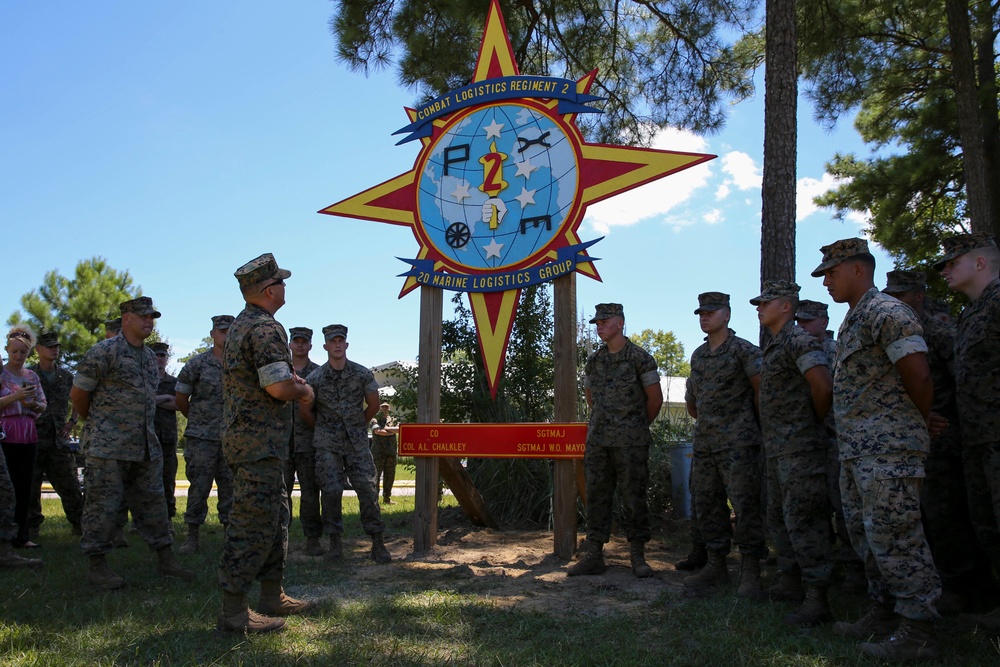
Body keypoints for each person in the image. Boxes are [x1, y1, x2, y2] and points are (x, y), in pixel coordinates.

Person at [812, 238, 940, 661]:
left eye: (832, 272)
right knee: (869, 538)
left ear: (858, 269)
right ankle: (883, 615)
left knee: (898, 538)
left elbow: (918, 376)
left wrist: (909, 426)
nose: (826, 281)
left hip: (889, 451)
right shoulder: (854, 319)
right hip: (858, 452)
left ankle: (919, 630)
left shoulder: (886, 311)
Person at [884, 268, 997, 614]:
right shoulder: (904, 329)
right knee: (934, 515)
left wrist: (938, 414)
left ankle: (972, 590)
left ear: (919, 295)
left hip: (948, 436)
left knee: (950, 514)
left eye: (901, 296)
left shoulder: (938, 329)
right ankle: (956, 587)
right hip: (920, 437)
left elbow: (964, 376)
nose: (895, 302)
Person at [218, 253, 314, 633]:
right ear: (269, 290)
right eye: (282, 282)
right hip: (257, 445)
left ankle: (272, 595)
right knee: (252, 523)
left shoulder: (244, 325)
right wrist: (304, 391)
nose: (286, 287)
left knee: (275, 519)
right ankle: (233, 613)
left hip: (259, 444)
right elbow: (277, 386)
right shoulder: (264, 329)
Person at [70, 297, 193, 590]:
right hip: (108, 448)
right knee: (103, 506)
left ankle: (165, 558)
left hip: (145, 446)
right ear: (126, 317)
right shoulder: (104, 351)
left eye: (152, 317)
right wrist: (102, 427)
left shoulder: (150, 357)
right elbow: (78, 395)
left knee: (154, 504)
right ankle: (97, 565)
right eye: (142, 316)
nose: (149, 321)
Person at [751, 281, 835, 625]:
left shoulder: (799, 340)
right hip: (777, 449)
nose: (759, 308)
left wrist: (808, 423)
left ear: (786, 306)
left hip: (800, 448)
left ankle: (818, 598)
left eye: (765, 303)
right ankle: (791, 582)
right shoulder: (775, 345)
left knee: (805, 520)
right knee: (779, 517)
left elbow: (823, 386)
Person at [567, 303, 662, 578]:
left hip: (631, 442)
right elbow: (590, 397)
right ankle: (594, 553)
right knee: (596, 496)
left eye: (605, 321)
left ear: (620, 322)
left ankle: (637, 555)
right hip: (599, 442)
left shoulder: (640, 358)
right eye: (597, 322)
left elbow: (655, 400)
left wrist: (634, 426)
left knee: (634, 497)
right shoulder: (595, 360)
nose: (599, 326)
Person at [934, 233, 1000, 630]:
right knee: (987, 523)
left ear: (979, 263)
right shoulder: (973, 313)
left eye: (952, 262)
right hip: (979, 437)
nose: (945, 270)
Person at [683, 292, 767, 597]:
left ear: (726, 315)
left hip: (739, 443)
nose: (704, 317)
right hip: (705, 443)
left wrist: (753, 430)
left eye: (710, 312)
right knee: (707, 504)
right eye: (701, 313)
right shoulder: (698, 355)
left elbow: (761, 393)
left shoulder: (744, 351)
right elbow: (693, 402)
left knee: (745, 506)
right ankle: (716, 566)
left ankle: (751, 571)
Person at [300, 324, 390, 564]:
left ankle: (377, 543)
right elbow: (305, 409)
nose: (337, 344)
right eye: (333, 341)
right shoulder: (315, 378)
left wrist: (357, 425)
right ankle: (335, 544)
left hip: (357, 444)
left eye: (341, 340)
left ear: (346, 345)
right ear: (326, 346)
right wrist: (322, 429)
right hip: (327, 445)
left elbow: (373, 404)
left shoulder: (362, 374)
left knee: (368, 490)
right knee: (330, 492)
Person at [795, 299, 866, 592]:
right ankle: (824, 565)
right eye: (800, 321)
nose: (803, 326)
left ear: (824, 321)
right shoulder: (795, 349)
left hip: (836, 438)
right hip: (807, 440)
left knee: (844, 506)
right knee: (814, 506)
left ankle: (855, 570)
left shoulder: (836, 352)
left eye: (809, 321)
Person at [174, 315, 235, 555]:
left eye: (230, 331)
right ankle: (192, 536)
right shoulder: (197, 364)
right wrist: (199, 421)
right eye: (221, 331)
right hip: (202, 439)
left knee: (230, 489)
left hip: (231, 438)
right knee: (199, 488)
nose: (225, 335)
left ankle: (230, 536)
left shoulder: (241, 365)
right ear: (213, 334)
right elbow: (181, 399)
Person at [28, 331, 84, 537]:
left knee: (69, 484)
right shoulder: (29, 375)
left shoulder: (66, 376)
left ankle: (79, 524)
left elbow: (78, 397)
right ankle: (31, 527)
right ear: (38, 350)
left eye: (56, 346)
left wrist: (73, 421)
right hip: (33, 438)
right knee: (31, 488)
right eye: (49, 346)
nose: (54, 350)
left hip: (58, 440)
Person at [1, 326, 47, 548]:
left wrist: (32, 404)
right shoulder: (1, 375)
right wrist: (15, 397)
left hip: (28, 434)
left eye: (23, 353)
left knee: (25, 486)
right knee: (5, 486)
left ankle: (22, 535)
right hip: (5, 433)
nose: (18, 356)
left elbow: (43, 406)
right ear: (7, 350)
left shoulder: (32, 376)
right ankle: (5, 535)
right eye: (14, 352)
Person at [283, 326, 325, 556]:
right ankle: (282, 539)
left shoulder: (318, 374)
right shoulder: (279, 372)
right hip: (281, 442)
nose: (299, 345)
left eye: (304, 341)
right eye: (296, 341)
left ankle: (312, 538)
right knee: (282, 492)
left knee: (310, 492)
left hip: (308, 442)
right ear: (290, 344)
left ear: (310, 345)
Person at [149, 342, 179, 520]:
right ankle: (142, 521)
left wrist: (153, 400)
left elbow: (178, 404)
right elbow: (139, 401)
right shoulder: (143, 380)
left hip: (167, 438)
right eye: (156, 356)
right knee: (144, 481)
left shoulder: (174, 382)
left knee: (168, 480)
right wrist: (166, 397)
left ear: (167, 359)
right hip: (147, 437)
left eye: (162, 356)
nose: (159, 359)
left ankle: (168, 519)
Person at [370, 402, 399, 504]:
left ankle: (387, 498)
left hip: (391, 452)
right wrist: (391, 431)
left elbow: (399, 430)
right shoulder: (375, 419)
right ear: (379, 408)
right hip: (378, 453)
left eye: (386, 406)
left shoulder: (393, 419)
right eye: (382, 406)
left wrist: (386, 429)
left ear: (389, 408)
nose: (385, 408)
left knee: (390, 477)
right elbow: (378, 431)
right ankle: (375, 500)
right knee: (376, 477)